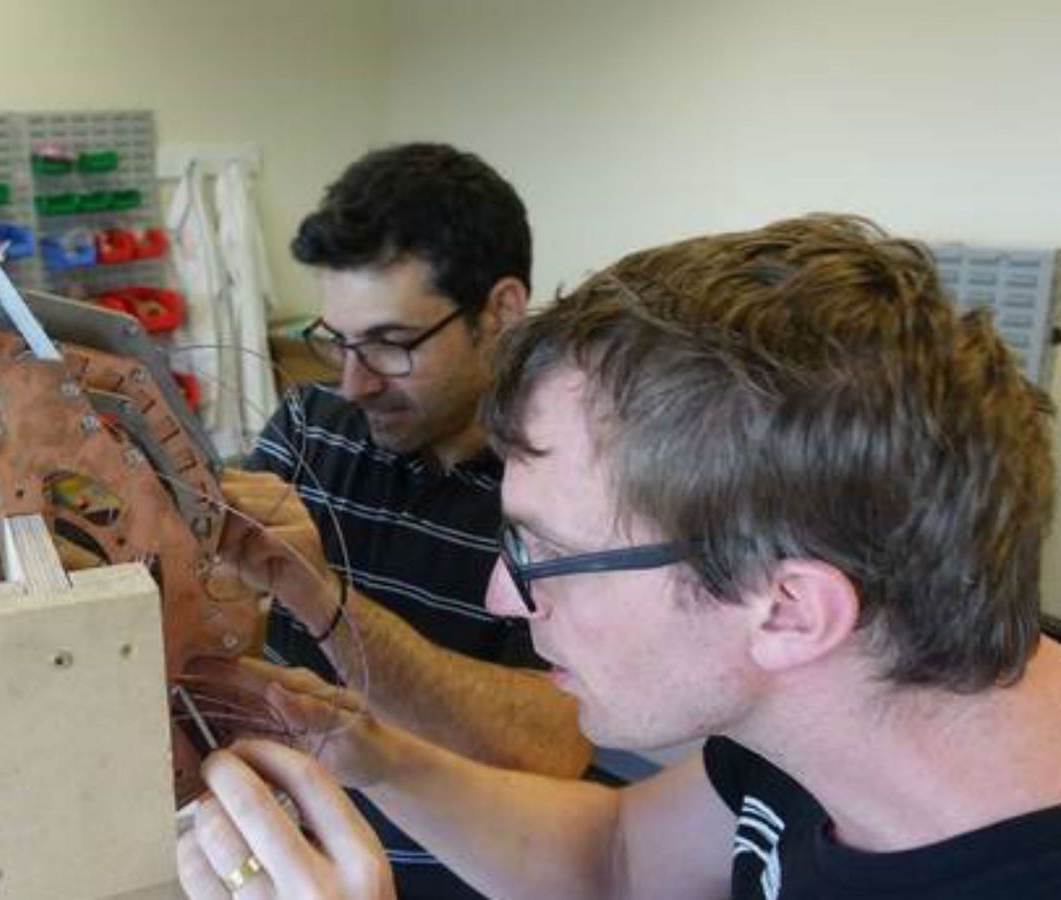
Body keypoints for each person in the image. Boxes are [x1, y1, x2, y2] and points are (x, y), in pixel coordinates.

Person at [185, 214, 1061, 898]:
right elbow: (619, 863)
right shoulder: (825, 712)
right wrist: (371, 752)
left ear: (790, 611)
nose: (503, 595)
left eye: (546, 553)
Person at [228, 143, 590, 897]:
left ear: (501, 310)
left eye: (391, 346)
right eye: (337, 341)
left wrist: (319, 600)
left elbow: (558, 743)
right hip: (272, 862)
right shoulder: (311, 424)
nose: (354, 383)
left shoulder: (574, 484)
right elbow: (214, 599)